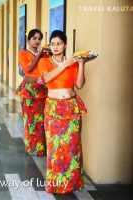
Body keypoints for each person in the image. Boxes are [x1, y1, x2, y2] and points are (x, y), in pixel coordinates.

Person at [37, 30, 92, 194]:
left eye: (59, 43)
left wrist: (81, 64)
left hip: (71, 108)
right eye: (52, 43)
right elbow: (44, 79)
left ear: (65, 45)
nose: (55, 47)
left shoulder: (73, 63)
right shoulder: (45, 62)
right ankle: (56, 184)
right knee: (55, 147)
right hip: (54, 108)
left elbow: (79, 85)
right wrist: (64, 65)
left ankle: (74, 183)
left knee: (73, 146)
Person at [15, 29, 49, 156]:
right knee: (31, 120)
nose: (37, 41)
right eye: (34, 38)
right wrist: (40, 54)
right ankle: (33, 147)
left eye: (39, 38)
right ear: (29, 40)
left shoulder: (44, 55)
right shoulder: (23, 53)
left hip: (43, 90)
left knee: (42, 120)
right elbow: (28, 69)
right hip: (29, 91)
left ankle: (42, 148)